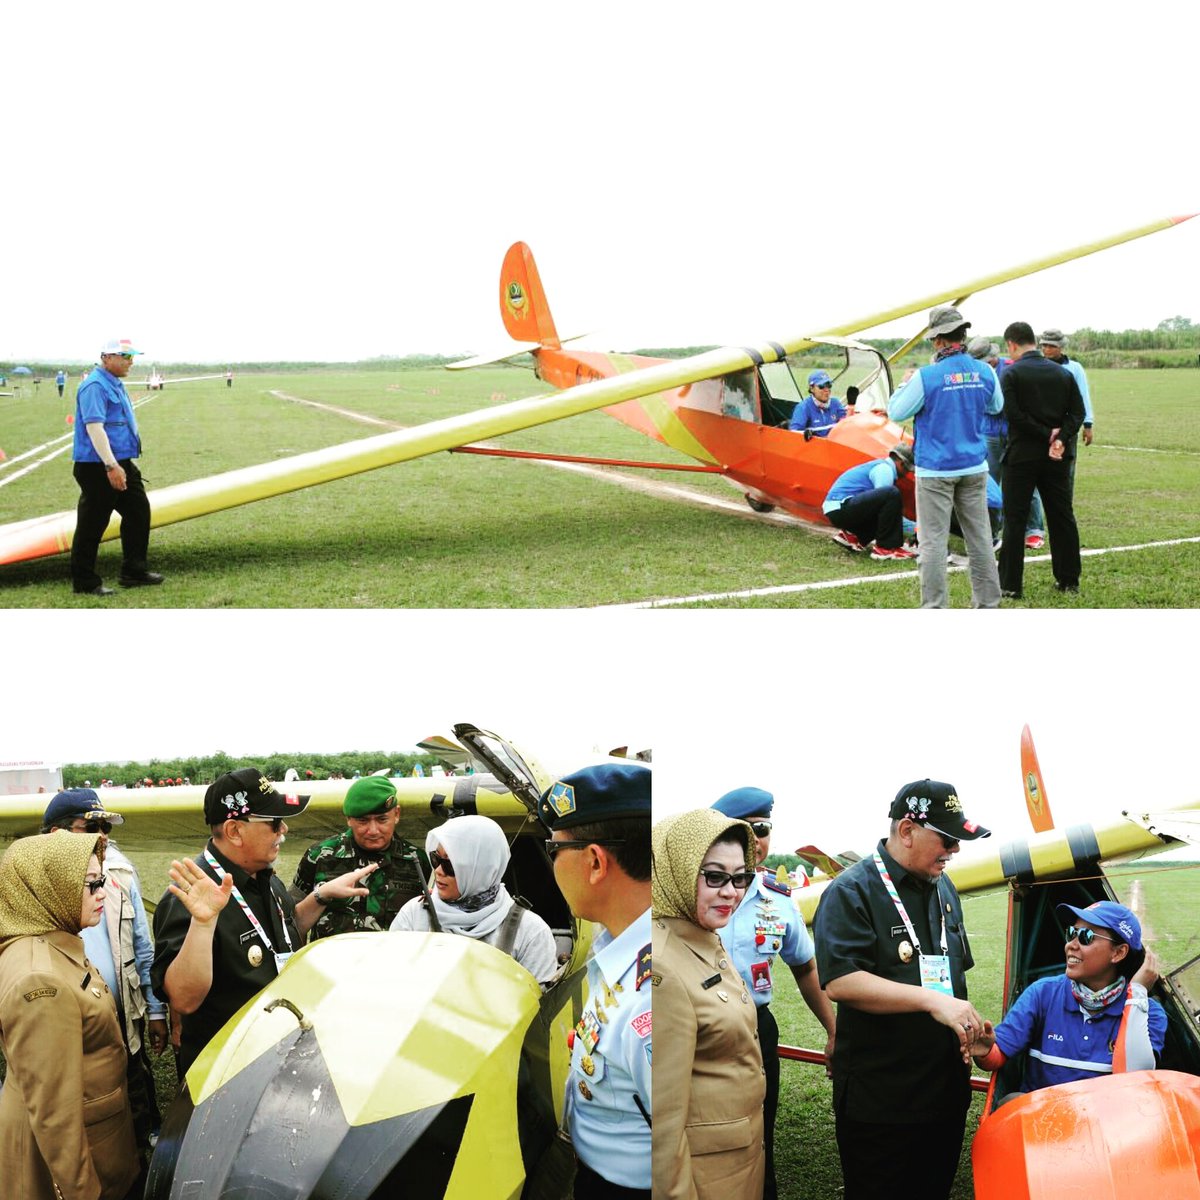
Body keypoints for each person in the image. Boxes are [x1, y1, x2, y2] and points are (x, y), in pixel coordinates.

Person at [813, 779, 991, 1200]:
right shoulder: (851, 891)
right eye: (947, 839)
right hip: (883, 1101)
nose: (955, 850)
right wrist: (932, 1001)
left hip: (943, 1093)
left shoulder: (943, 887)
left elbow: (951, 974)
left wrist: (967, 1027)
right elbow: (841, 981)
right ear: (908, 830)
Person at [150, 767, 378, 1075]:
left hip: (275, 1054)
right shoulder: (189, 898)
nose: (283, 829)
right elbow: (184, 999)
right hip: (227, 1071)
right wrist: (203, 923)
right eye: (273, 822)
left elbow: (285, 933)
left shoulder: (265, 879)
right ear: (234, 830)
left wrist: (322, 896)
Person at [711, 786, 837, 1200]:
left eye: (762, 829)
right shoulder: (690, 892)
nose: (756, 838)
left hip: (755, 1029)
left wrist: (833, 1031)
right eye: (744, 829)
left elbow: (805, 967)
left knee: (760, 1136)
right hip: (698, 1026)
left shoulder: (779, 902)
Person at [0, 832, 139, 1200]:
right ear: (48, 887)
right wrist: (82, 1193)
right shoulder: (40, 982)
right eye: (92, 883)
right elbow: (55, 1117)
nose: (102, 893)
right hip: (79, 1164)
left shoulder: (50, 939)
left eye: (104, 880)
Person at [539, 762, 652, 1200]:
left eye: (554, 850)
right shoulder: (619, 945)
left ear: (594, 861)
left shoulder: (649, 998)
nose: (552, 864)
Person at [42, 789, 167, 1165]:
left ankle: (140, 1162)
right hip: (64, 1026)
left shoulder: (121, 872)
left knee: (134, 1095)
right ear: (56, 835)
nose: (104, 836)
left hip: (122, 1016)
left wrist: (157, 1011)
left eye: (106, 826)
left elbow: (143, 948)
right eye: (92, 826)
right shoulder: (32, 884)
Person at [652, 806, 765, 1200]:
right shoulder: (663, 963)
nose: (731, 892)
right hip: (704, 1177)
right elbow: (662, 1126)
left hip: (736, 1161)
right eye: (715, 876)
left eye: (740, 878)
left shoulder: (701, 935)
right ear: (677, 871)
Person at [971, 900, 1166, 1097]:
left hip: (1104, 1124)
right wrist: (985, 1051)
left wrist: (1138, 993)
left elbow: (1132, 1083)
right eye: (1071, 933)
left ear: (1118, 953)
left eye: (1085, 936)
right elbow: (997, 1054)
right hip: (1039, 1120)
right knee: (1011, 1100)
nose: (1070, 945)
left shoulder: (1148, 1013)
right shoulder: (1042, 994)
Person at [888, 306, 1003, 608]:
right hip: (975, 468)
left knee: (933, 545)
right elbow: (995, 406)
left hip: (935, 471)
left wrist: (904, 383)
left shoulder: (926, 376)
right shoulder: (985, 371)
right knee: (980, 540)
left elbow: (896, 411)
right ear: (962, 335)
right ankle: (989, 604)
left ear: (938, 340)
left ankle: (935, 608)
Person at [389, 814, 558, 985]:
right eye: (435, 859)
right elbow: (388, 981)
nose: (438, 871)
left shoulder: (530, 933)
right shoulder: (414, 915)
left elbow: (542, 1006)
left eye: (450, 864)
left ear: (482, 868)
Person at [996, 321, 1085, 599]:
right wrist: (1058, 438)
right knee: (1061, 517)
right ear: (1035, 341)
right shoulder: (1062, 373)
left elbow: (1012, 415)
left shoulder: (1011, 374)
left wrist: (1044, 434)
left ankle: (1010, 584)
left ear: (1011, 344)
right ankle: (1068, 579)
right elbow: (1077, 413)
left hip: (1022, 456)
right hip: (1056, 456)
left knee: (1015, 519)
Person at [70, 337, 163, 596]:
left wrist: (120, 464)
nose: (131, 362)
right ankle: (85, 582)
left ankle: (134, 571)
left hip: (121, 462)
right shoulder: (95, 386)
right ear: (107, 358)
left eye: (132, 357)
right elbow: (94, 428)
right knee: (92, 524)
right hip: (97, 465)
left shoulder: (115, 383)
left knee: (138, 511)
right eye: (125, 357)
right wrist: (111, 466)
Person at [291, 775, 428, 938]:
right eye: (363, 821)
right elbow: (291, 922)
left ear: (396, 814)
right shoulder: (319, 856)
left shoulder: (416, 860)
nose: (373, 830)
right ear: (349, 819)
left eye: (382, 819)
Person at [970, 336, 1046, 548]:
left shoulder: (1013, 368)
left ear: (993, 358)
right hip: (990, 434)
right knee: (989, 482)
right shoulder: (973, 375)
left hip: (1015, 434)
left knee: (1027, 481)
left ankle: (1034, 530)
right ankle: (992, 530)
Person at [823, 443, 918, 560]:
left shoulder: (880, 466)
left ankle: (854, 536)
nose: (906, 474)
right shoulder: (885, 470)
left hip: (838, 509)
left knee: (885, 506)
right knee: (891, 494)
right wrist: (918, 528)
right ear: (902, 463)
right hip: (841, 507)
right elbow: (889, 509)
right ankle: (886, 548)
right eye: (907, 470)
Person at [1039, 327, 1094, 496]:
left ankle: (1065, 503)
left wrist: (1088, 424)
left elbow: (1083, 395)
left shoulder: (1074, 368)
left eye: (1051, 346)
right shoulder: (1036, 366)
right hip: (1041, 427)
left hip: (1068, 427)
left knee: (1066, 471)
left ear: (1061, 346)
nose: (1047, 349)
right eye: (1044, 345)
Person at [789, 369, 848, 436]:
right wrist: (805, 434)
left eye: (829, 385)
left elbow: (846, 422)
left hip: (834, 443)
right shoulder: (803, 407)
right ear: (812, 388)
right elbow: (793, 433)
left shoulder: (836, 403)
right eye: (821, 386)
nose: (826, 390)